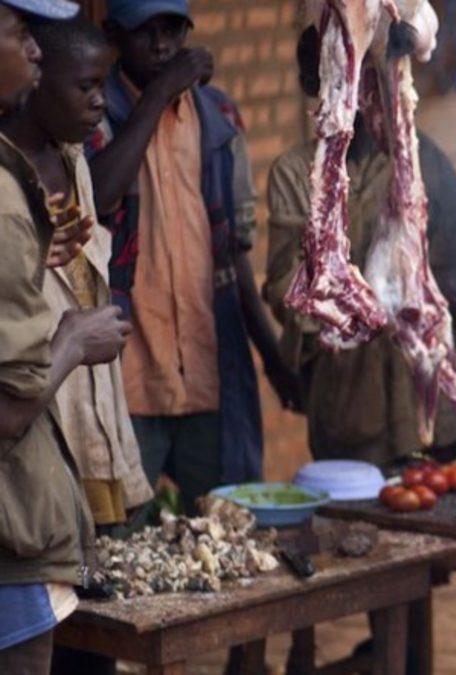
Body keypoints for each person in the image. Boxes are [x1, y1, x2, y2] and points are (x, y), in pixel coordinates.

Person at [86, 0, 301, 513]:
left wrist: (272, 359)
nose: (162, 46)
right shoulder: (95, 116)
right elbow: (99, 195)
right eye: (146, 33)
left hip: (210, 371)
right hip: (130, 379)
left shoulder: (219, 119)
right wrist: (159, 94)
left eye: (173, 30)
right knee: (125, 544)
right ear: (115, 36)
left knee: (224, 533)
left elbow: (233, 258)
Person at [264, 25, 456, 468]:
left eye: (370, 81)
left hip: (433, 411)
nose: (360, 97)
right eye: (344, 83)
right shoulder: (295, 174)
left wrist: (442, 281)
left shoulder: (415, 156)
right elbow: (288, 293)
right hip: (353, 410)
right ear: (316, 87)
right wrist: (384, 304)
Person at [0, 2, 133, 673]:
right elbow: (11, 407)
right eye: (18, 33)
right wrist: (75, 339)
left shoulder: (52, 169)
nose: (29, 50)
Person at [1, 15, 154, 538]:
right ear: (36, 77)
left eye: (103, 86)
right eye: (85, 86)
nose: (99, 102)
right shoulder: (6, 185)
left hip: (94, 423)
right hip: (34, 428)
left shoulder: (74, 162)